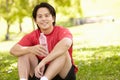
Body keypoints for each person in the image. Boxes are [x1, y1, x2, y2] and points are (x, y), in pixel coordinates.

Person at [10, 2, 78, 80]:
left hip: (62, 73)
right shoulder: (32, 35)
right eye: (40, 16)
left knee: (63, 52)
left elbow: (66, 44)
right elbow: (13, 50)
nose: (43, 19)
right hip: (41, 72)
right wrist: (30, 49)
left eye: (47, 15)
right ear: (35, 20)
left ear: (52, 18)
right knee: (24, 53)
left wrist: (44, 62)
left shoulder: (62, 31)